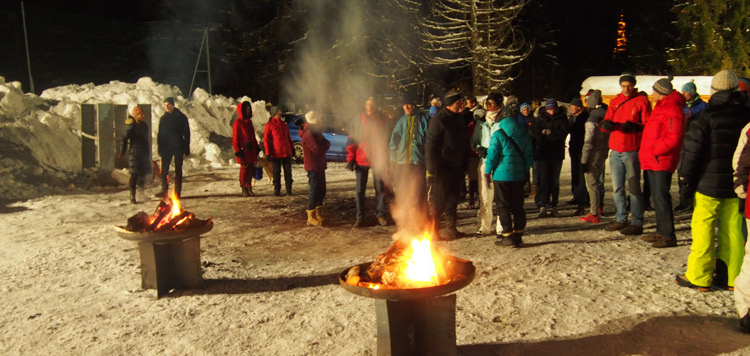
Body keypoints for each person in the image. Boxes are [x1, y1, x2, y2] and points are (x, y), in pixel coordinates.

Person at [677, 69, 750, 293]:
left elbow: (691, 154)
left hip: (707, 184)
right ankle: (731, 277)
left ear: (714, 91)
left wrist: (686, 182)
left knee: (703, 230)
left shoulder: (705, 118)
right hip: (735, 184)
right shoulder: (746, 116)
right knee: (734, 232)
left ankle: (699, 276)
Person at [600, 73, 651, 235]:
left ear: (633, 85)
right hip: (615, 149)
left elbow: (648, 124)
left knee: (634, 187)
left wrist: (636, 127)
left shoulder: (642, 101)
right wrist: (605, 125)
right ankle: (621, 218)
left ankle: (637, 221)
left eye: (629, 85)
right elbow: (605, 123)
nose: (626, 89)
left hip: (631, 149)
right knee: (617, 187)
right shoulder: (615, 102)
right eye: (623, 86)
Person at [638, 78, 685, 248]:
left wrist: (655, 150)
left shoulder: (672, 109)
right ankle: (661, 230)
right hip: (653, 159)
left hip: (661, 159)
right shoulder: (661, 108)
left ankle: (668, 234)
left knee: (662, 197)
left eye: (654, 91)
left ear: (661, 92)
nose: (652, 94)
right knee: (657, 198)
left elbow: (674, 136)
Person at [484, 102, 533, 247]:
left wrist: (487, 172)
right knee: (518, 206)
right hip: (518, 176)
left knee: (503, 206)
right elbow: (529, 156)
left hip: (501, 176)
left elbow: (492, 155)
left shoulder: (498, 134)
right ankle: (518, 235)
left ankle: (507, 236)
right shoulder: (524, 134)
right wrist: (524, 171)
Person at [425, 90, 467, 239]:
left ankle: (451, 228)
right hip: (441, 167)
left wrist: (464, 163)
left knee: (453, 199)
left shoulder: (459, 119)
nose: (462, 105)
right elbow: (430, 145)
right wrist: (431, 169)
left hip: (456, 166)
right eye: (458, 102)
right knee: (439, 201)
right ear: (450, 105)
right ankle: (433, 231)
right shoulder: (439, 120)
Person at [389, 93, 431, 232]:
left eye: (410, 104)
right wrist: (393, 158)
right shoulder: (402, 121)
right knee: (404, 192)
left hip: (418, 161)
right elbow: (394, 140)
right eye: (405, 104)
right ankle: (405, 221)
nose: (407, 107)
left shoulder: (424, 119)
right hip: (402, 162)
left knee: (419, 192)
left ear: (414, 105)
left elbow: (430, 139)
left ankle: (422, 221)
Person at [347, 97, 389, 227]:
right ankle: (360, 216)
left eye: (372, 104)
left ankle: (380, 214)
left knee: (380, 189)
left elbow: (387, 139)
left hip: (378, 159)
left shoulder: (382, 119)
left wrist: (387, 159)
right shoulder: (358, 119)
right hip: (361, 159)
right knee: (360, 190)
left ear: (376, 106)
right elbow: (351, 140)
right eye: (367, 104)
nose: (369, 106)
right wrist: (350, 159)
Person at [470, 93, 504, 237]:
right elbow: (473, 141)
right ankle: (483, 226)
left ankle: (502, 227)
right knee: (485, 196)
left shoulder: (504, 121)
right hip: (485, 162)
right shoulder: (481, 122)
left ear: (499, 103)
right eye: (486, 103)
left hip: (501, 163)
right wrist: (478, 148)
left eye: (491, 103)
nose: (488, 106)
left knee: (501, 197)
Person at [674, 80, 709, 212]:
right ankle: (683, 199)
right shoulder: (681, 106)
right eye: (683, 92)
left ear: (692, 93)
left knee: (695, 171)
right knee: (682, 171)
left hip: (696, 141)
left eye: (686, 92)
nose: (684, 94)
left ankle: (694, 200)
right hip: (683, 141)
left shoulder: (702, 107)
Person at [532, 98, 569, 217]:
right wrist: (545, 134)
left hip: (556, 153)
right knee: (543, 180)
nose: (552, 112)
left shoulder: (562, 118)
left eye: (553, 109)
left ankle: (554, 205)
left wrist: (549, 133)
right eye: (550, 109)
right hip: (543, 153)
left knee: (554, 181)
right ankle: (543, 204)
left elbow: (563, 134)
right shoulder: (540, 118)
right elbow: (536, 134)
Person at [579, 90, 609, 223]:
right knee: (598, 182)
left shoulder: (592, 119)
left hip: (593, 154)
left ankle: (594, 212)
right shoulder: (606, 115)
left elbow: (588, 142)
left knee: (592, 183)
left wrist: (584, 160)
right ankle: (598, 208)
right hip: (603, 151)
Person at [155, 97, 190, 198]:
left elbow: (187, 134)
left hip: (178, 146)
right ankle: (164, 189)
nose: (167, 107)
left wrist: (186, 147)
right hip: (166, 148)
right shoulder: (163, 118)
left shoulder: (181, 117)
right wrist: (160, 148)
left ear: (173, 105)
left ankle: (177, 191)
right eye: (165, 105)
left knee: (178, 169)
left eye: (169, 104)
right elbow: (160, 135)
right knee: (164, 169)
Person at [300, 111, 330, 227]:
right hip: (313, 166)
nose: (321, 122)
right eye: (319, 120)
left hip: (319, 165)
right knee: (314, 190)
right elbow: (318, 149)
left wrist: (324, 145)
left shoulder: (316, 132)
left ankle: (318, 213)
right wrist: (324, 146)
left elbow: (326, 144)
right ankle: (310, 215)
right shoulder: (308, 134)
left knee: (321, 190)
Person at [118, 106, 151, 204]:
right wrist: (122, 151)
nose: (143, 116)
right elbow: (124, 138)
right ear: (136, 115)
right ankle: (132, 196)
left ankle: (141, 193)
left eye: (143, 114)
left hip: (143, 153)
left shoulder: (144, 125)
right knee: (134, 174)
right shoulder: (132, 126)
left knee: (142, 174)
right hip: (135, 153)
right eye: (141, 114)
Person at [264, 109, 294, 196]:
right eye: (278, 111)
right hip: (276, 152)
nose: (280, 113)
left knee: (288, 172)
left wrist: (292, 148)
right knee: (276, 172)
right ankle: (277, 190)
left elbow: (288, 137)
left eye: (280, 111)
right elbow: (266, 139)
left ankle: (289, 189)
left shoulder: (284, 124)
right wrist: (268, 153)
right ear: (274, 113)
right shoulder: (269, 125)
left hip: (286, 151)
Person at [232, 101, 259, 197]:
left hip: (251, 150)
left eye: (249, 108)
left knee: (250, 169)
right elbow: (235, 139)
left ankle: (249, 186)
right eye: (246, 109)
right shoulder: (238, 123)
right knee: (244, 170)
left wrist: (257, 147)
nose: (248, 110)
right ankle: (244, 188)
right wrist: (238, 151)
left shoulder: (249, 122)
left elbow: (252, 136)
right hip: (243, 151)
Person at [567, 97, 589, 215]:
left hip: (581, 149)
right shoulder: (573, 118)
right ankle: (577, 196)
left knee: (581, 176)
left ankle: (583, 200)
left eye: (572, 106)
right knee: (575, 174)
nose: (570, 108)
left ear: (578, 108)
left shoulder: (584, 118)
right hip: (574, 149)